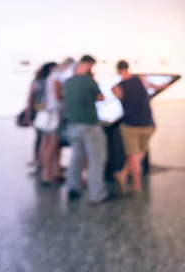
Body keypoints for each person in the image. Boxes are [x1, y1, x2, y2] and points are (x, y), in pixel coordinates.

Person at [112, 60, 169, 195]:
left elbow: (119, 98)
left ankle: (135, 186)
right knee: (139, 154)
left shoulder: (116, 87)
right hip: (148, 124)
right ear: (128, 68)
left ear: (118, 70)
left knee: (134, 156)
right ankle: (124, 174)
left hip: (130, 125)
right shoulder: (141, 79)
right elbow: (156, 87)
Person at [63, 55, 111, 204]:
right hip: (89, 125)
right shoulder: (89, 82)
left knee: (76, 157)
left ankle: (73, 187)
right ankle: (97, 194)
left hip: (72, 125)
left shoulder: (68, 82)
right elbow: (101, 97)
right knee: (96, 159)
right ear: (89, 65)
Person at [39, 58, 75, 186]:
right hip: (56, 113)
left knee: (52, 145)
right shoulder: (57, 77)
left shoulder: (53, 76)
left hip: (51, 112)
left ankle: (54, 172)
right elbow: (58, 95)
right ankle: (47, 175)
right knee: (52, 145)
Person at [24, 63, 55, 169]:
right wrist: (28, 113)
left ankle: (41, 159)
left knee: (42, 136)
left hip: (41, 110)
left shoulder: (39, 81)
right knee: (42, 136)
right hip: (41, 110)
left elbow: (30, 98)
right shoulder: (42, 82)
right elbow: (30, 98)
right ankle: (40, 159)